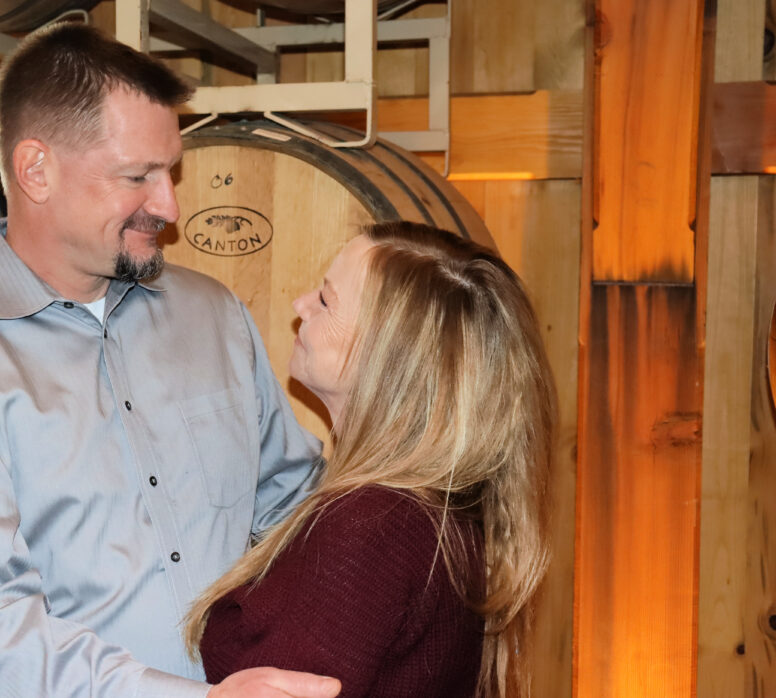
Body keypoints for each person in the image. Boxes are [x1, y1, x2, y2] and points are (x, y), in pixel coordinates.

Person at [0, 21, 342, 698]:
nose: (169, 205)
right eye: (137, 176)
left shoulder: (212, 313)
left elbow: (290, 503)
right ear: (36, 170)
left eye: (170, 171)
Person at [186, 221, 557, 698]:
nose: (300, 306)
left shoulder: (372, 525)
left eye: (325, 300)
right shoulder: (432, 506)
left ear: (387, 353)